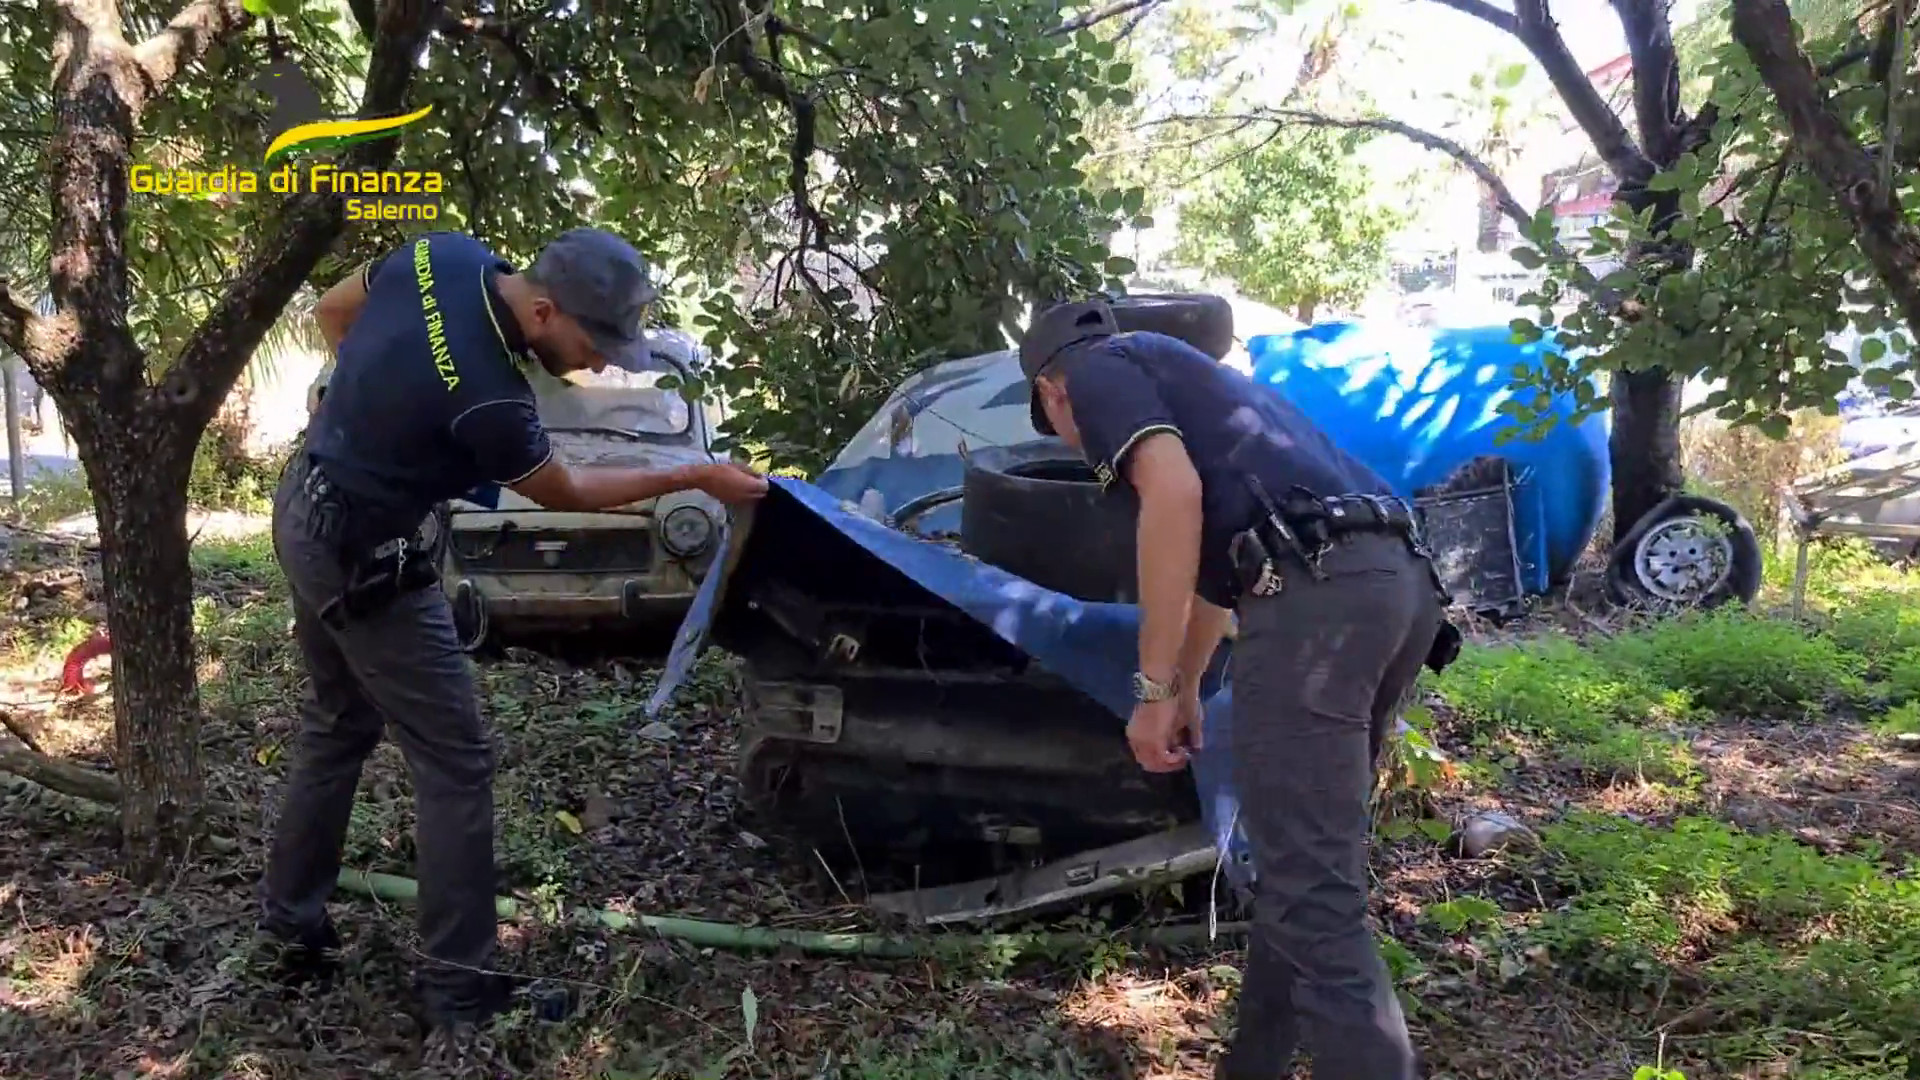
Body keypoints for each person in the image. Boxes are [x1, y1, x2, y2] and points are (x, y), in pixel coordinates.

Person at [259, 228, 767, 1039]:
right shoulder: (493, 397)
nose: (601, 363)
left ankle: (289, 934)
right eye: (593, 343)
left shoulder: (441, 256)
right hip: (362, 556)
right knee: (457, 763)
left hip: (306, 505)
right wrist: (694, 473)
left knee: (336, 726)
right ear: (541, 308)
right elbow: (565, 488)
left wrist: (354, 399)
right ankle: (459, 994)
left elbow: (332, 309)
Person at [1020, 300, 1456, 1080]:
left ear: (1052, 396)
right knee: (1299, 864)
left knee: (1313, 893)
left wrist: (1150, 688)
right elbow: (1225, 574)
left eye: (1066, 428)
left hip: (1317, 599)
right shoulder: (1202, 384)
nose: (1084, 444)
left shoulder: (1094, 372)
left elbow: (1174, 499)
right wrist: (1186, 685)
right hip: (1391, 583)